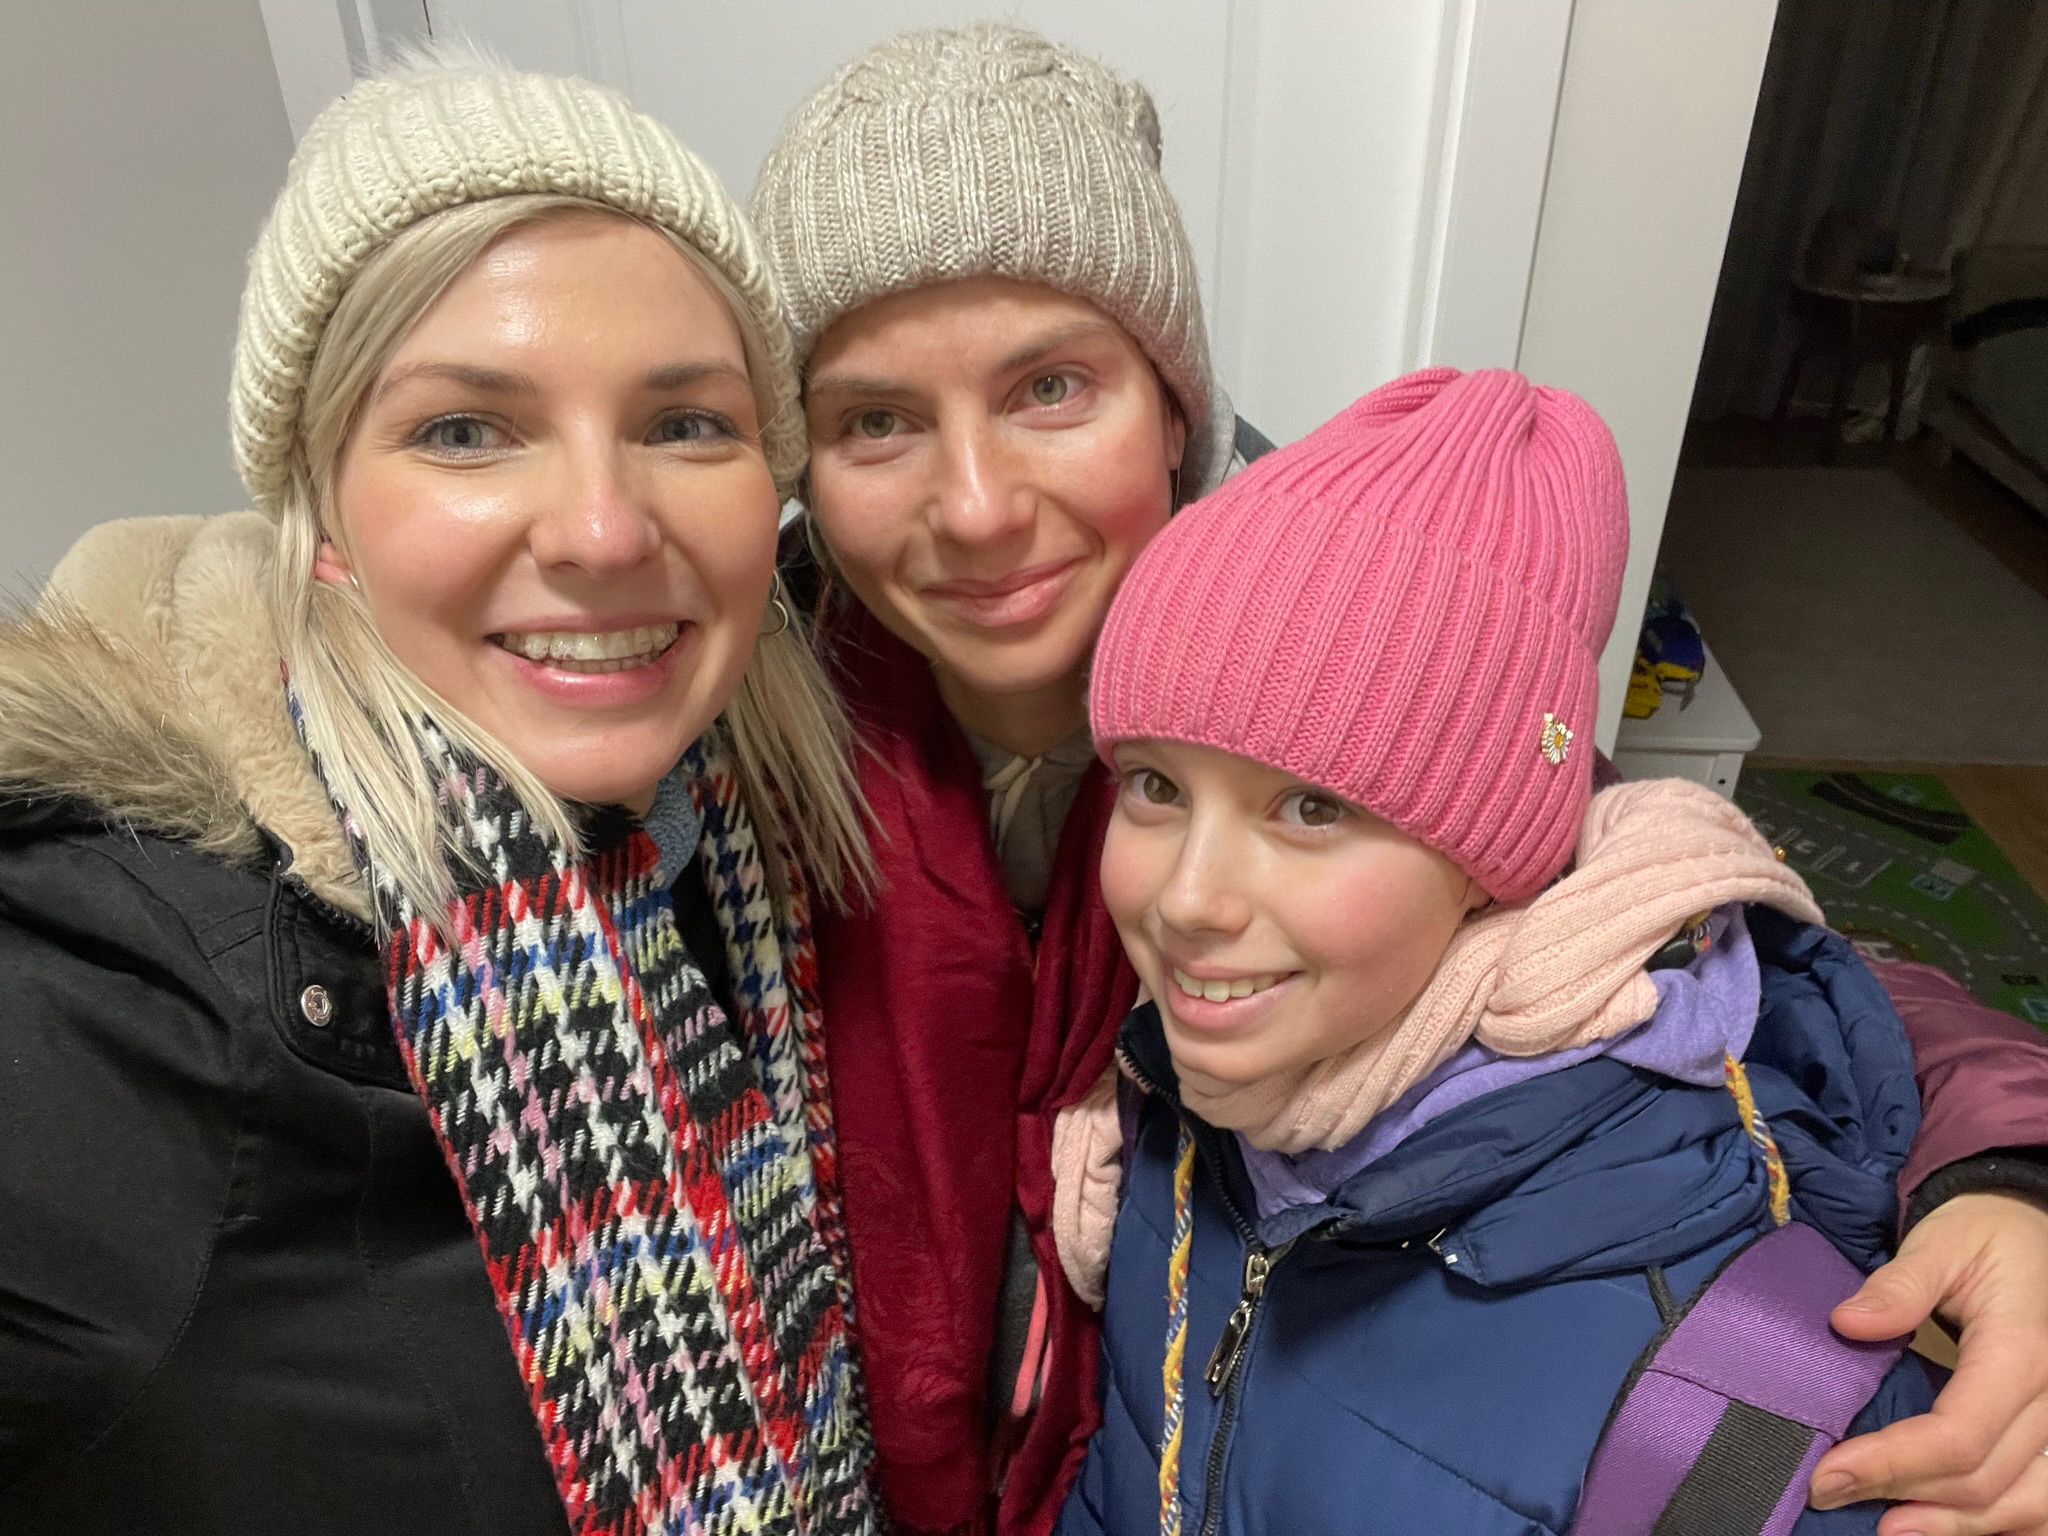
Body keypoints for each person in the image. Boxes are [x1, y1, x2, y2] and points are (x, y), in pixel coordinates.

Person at [749, 23, 2048, 1536]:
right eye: (877, 420)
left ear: (1173, 408)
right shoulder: (747, 729)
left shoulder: (1366, 656)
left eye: (1049, 387)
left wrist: (2005, 1176)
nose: (974, 507)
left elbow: (1727, 954)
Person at [0, 49, 876, 1535]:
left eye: (686, 424)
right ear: (322, 504)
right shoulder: (106, 994)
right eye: (465, 429)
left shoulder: (734, 844)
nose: (605, 529)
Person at [1054, 365, 1941, 1534]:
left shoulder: (1746, 1401)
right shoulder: (1190, 1121)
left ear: (1490, 860)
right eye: (1155, 786)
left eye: (1311, 808)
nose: (1188, 898)